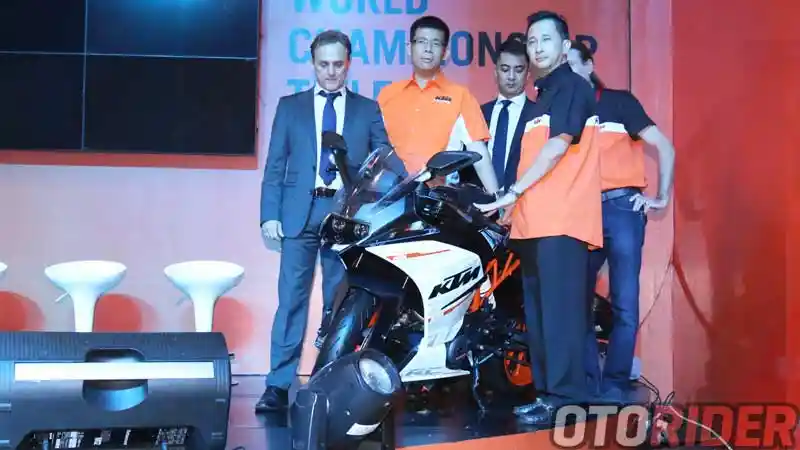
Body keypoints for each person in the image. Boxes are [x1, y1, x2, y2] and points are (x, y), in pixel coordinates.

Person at [475, 11, 600, 425]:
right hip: (533, 225)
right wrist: (510, 208)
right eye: (532, 41)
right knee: (540, 317)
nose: (538, 47)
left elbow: (556, 149)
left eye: (546, 39)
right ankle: (548, 396)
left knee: (561, 318)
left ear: (565, 46)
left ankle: (566, 399)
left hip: (562, 223)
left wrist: (510, 193)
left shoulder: (572, 87)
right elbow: (529, 161)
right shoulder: (540, 98)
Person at [257, 30, 389, 413]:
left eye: (338, 64)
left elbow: (384, 160)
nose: (331, 72)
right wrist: (269, 215)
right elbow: (275, 165)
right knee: (290, 302)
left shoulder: (367, 109)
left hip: (345, 215)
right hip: (298, 214)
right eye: (323, 64)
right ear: (313, 64)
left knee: (339, 303)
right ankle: (277, 385)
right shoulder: (290, 107)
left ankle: (330, 384)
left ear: (348, 64)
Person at [567, 40, 675, 403]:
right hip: (581, 212)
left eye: (573, 64)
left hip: (622, 210)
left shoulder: (619, 102)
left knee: (625, 301)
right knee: (576, 300)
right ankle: (588, 383)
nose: (569, 73)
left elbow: (665, 147)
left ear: (589, 65)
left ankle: (615, 383)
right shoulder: (565, 112)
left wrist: (660, 197)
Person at [377, 15, 500, 195]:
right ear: (409, 48)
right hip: (389, 196)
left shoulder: (460, 96)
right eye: (421, 42)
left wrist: (496, 198)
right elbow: (375, 150)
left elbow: (479, 153)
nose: (428, 49)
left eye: (435, 43)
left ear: (445, 53)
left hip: (438, 198)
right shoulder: (388, 94)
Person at [459, 37, 536, 191]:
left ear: (528, 75)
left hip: (524, 199)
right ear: (496, 73)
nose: (511, 77)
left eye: (518, 70)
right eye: (505, 69)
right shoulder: (477, 113)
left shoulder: (539, 115)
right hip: (479, 201)